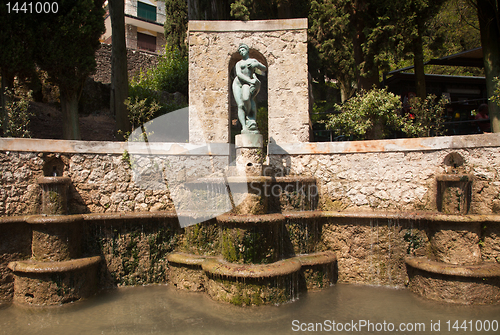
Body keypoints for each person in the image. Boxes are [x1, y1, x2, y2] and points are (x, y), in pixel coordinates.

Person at [232, 43, 267, 134]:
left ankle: (250, 118)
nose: (241, 52)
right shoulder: (238, 63)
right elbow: (239, 74)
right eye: (240, 51)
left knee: (247, 98)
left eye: (243, 50)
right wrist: (250, 80)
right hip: (237, 83)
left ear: (247, 50)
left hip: (246, 84)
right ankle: (244, 126)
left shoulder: (253, 60)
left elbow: (264, 68)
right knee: (240, 105)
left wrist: (256, 65)